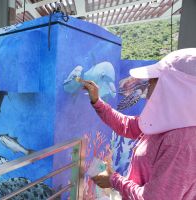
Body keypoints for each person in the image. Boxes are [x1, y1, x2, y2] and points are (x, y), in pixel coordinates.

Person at [80, 48, 196, 199]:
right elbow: (126, 125)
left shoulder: (181, 142)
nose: (148, 85)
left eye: (154, 81)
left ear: (175, 89)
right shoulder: (171, 119)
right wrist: (97, 101)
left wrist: (113, 180)